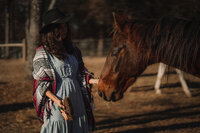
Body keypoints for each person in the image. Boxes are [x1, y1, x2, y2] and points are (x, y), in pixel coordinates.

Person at [32, 8, 98, 133]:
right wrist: (59, 102)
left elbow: (81, 73)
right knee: (59, 126)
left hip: (77, 97)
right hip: (58, 99)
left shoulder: (73, 49)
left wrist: (98, 81)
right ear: (52, 31)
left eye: (65, 26)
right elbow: (41, 85)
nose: (65, 30)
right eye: (61, 27)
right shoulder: (42, 53)